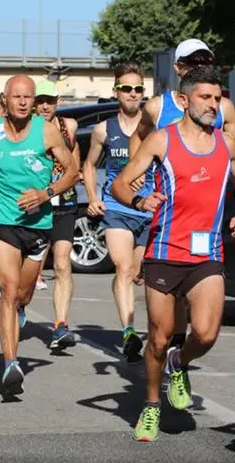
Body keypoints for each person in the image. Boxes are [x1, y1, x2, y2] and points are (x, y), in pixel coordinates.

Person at [112, 65, 235, 442]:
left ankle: (180, 361)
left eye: (218, 98)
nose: (213, 105)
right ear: (186, 100)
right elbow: (121, 184)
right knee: (158, 338)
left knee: (205, 334)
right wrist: (141, 200)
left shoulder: (226, 143)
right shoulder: (162, 140)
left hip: (208, 254)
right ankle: (152, 406)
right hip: (163, 251)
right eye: (205, 98)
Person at [0, 75, 79, 395]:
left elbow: (72, 172)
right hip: (3, 220)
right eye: (16, 96)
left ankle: (19, 308)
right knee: (8, 288)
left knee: (23, 295)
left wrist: (46, 193)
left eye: (27, 97)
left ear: (33, 101)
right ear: (5, 100)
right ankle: (10, 362)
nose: (21, 102)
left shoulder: (46, 131)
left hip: (38, 225)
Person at [83, 63, 154, 361]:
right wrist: (91, 197)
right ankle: (128, 332)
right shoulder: (103, 130)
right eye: (127, 88)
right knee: (122, 268)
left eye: (139, 89)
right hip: (116, 208)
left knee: (137, 274)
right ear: (116, 92)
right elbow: (88, 165)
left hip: (150, 209)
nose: (133, 94)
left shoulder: (155, 128)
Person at [33, 79, 80, 350]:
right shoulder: (27, 129)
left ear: (58, 101)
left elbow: (74, 160)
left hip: (64, 203)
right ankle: (19, 305)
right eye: (40, 101)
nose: (44, 106)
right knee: (30, 269)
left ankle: (60, 324)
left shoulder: (69, 126)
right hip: (35, 204)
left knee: (62, 263)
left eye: (49, 101)